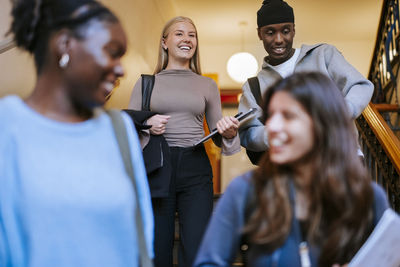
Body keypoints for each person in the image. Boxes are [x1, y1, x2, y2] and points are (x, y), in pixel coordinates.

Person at [0, 1, 153, 266]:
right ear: (65, 44)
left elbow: (141, 236)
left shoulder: (120, 130)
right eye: (112, 52)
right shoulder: (8, 127)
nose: (121, 69)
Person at [194, 72, 390, 267]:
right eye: (271, 116)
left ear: (324, 124)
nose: (272, 127)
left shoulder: (368, 198)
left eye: (288, 116)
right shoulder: (244, 191)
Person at [128, 16, 241, 267]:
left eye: (192, 34)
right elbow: (127, 128)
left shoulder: (207, 85)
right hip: (158, 167)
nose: (187, 39)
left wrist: (229, 132)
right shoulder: (147, 83)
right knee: (158, 247)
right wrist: (147, 125)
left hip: (196, 165)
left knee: (197, 246)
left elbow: (217, 132)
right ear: (165, 42)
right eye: (179, 34)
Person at [238, 0, 374, 164]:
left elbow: (361, 86)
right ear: (259, 33)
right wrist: (282, 133)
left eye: (286, 31)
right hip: (293, 170)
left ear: (294, 30)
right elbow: (248, 133)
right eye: (270, 32)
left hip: (342, 159)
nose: (279, 39)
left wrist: (336, 114)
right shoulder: (253, 86)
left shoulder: (323, 55)